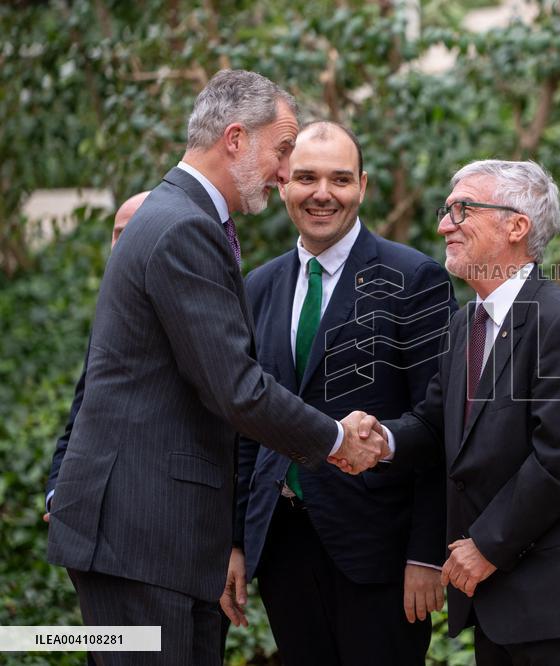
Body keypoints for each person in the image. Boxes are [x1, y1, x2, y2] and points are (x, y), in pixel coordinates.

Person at [46, 70, 386, 665]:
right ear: (235, 138)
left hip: (164, 540)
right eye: (283, 151)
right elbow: (235, 389)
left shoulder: (181, 219)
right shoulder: (182, 227)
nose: (285, 172)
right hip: (143, 538)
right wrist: (336, 439)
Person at [367, 160, 560, 664]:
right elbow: (433, 423)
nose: (445, 224)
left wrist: (486, 544)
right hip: (495, 603)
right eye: (446, 211)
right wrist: (381, 441)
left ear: (516, 226)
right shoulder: (465, 323)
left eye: (463, 209)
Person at [223, 121, 454, 665]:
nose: (322, 194)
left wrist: (427, 553)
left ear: (363, 186)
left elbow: (439, 421)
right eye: (305, 177)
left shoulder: (414, 278)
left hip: (380, 550)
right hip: (281, 542)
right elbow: (245, 423)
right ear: (283, 184)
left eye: (340, 180)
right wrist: (235, 539)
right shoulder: (258, 285)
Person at [43, 190, 150, 525]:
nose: (123, 245)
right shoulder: (109, 311)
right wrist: (57, 491)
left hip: (158, 511)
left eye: (134, 232)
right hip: (91, 517)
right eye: (118, 234)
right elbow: (82, 411)